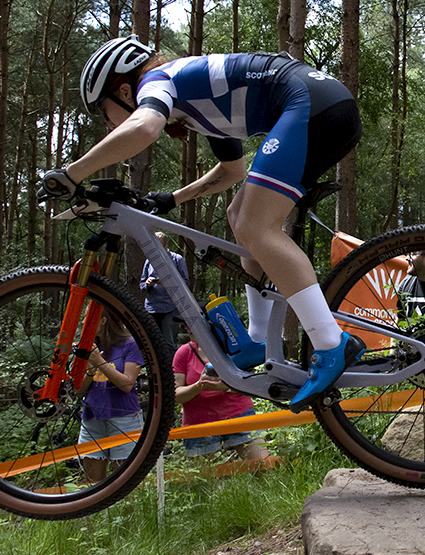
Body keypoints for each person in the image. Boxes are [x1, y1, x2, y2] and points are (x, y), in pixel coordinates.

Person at [39, 37, 365, 413]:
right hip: (321, 105)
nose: (108, 122)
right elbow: (231, 171)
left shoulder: (158, 79)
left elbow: (144, 129)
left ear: (124, 90)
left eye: (103, 110)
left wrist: (71, 174)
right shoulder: (197, 100)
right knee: (239, 217)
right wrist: (171, 199)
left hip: (311, 104)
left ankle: (330, 342)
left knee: (256, 226)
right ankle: (259, 340)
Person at [173, 334, 269, 460]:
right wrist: (198, 386)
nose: (187, 328)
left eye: (190, 325)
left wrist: (227, 386)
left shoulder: (234, 346)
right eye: (186, 325)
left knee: (263, 465)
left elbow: (253, 382)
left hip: (238, 413)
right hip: (199, 422)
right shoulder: (184, 352)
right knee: (203, 472)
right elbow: (175, 396)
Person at [77, 315, 145, 483]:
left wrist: (100, 362)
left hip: (124, 419)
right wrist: (90, 372)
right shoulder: (88, 347)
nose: (84, 321)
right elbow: (78, 392)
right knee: (92, 484)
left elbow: (127, 384)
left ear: (103, 320)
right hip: (92, 419)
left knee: (127, 484)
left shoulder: (130, 345)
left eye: (88, 316)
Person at [141, 232, 190, 346]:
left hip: (170, 307)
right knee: (152, 343)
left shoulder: (177, 259)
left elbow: (186, 283)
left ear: (166, 244)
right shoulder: (149, 261)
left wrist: (168, 282)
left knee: (169, 343)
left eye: (159, 246)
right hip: (152, 308)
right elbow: (141, 284)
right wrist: (148, 283)